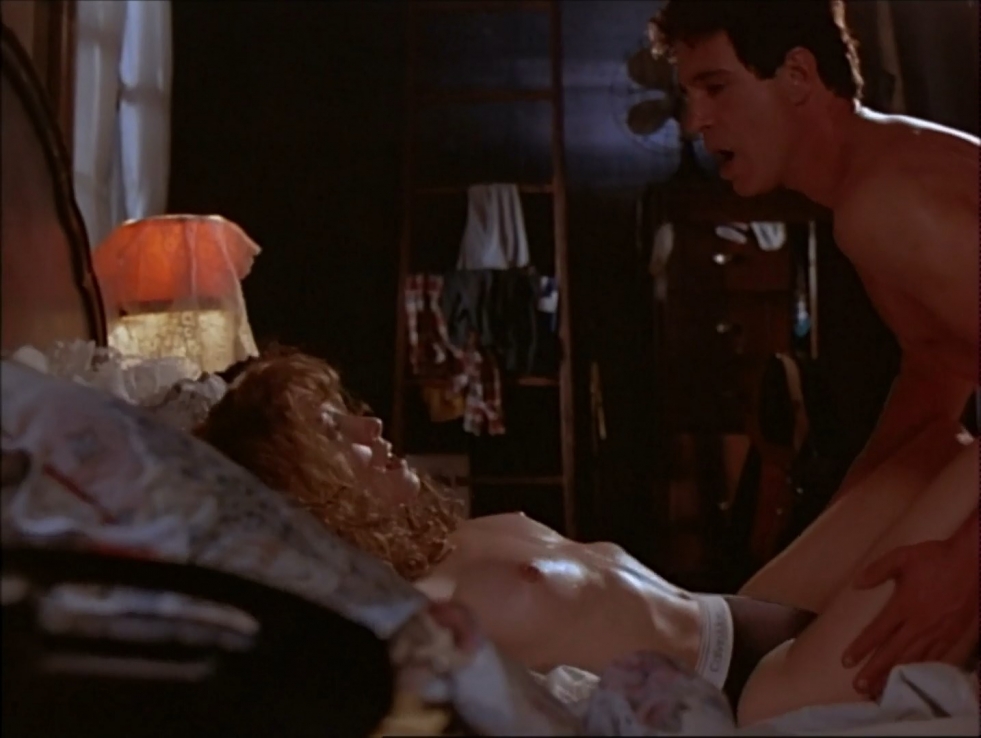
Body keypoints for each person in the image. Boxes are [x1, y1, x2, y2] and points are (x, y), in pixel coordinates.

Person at [199, 348, 969, 727]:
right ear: (308, 494)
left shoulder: (447, 540)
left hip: (741, 613)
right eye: (337, 435)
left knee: (932, 448)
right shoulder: (410, 615)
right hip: (761, 691)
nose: (372, 428)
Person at [649, 0, 979, 725]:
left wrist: (961, 566)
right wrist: (843, 531)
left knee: (774, 704)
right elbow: (938, 370)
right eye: (689, 95)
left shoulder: (887, 201)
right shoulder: (876, 174)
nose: (695, 121)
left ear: (797, 75)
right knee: (760, 618)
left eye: (715, 87)